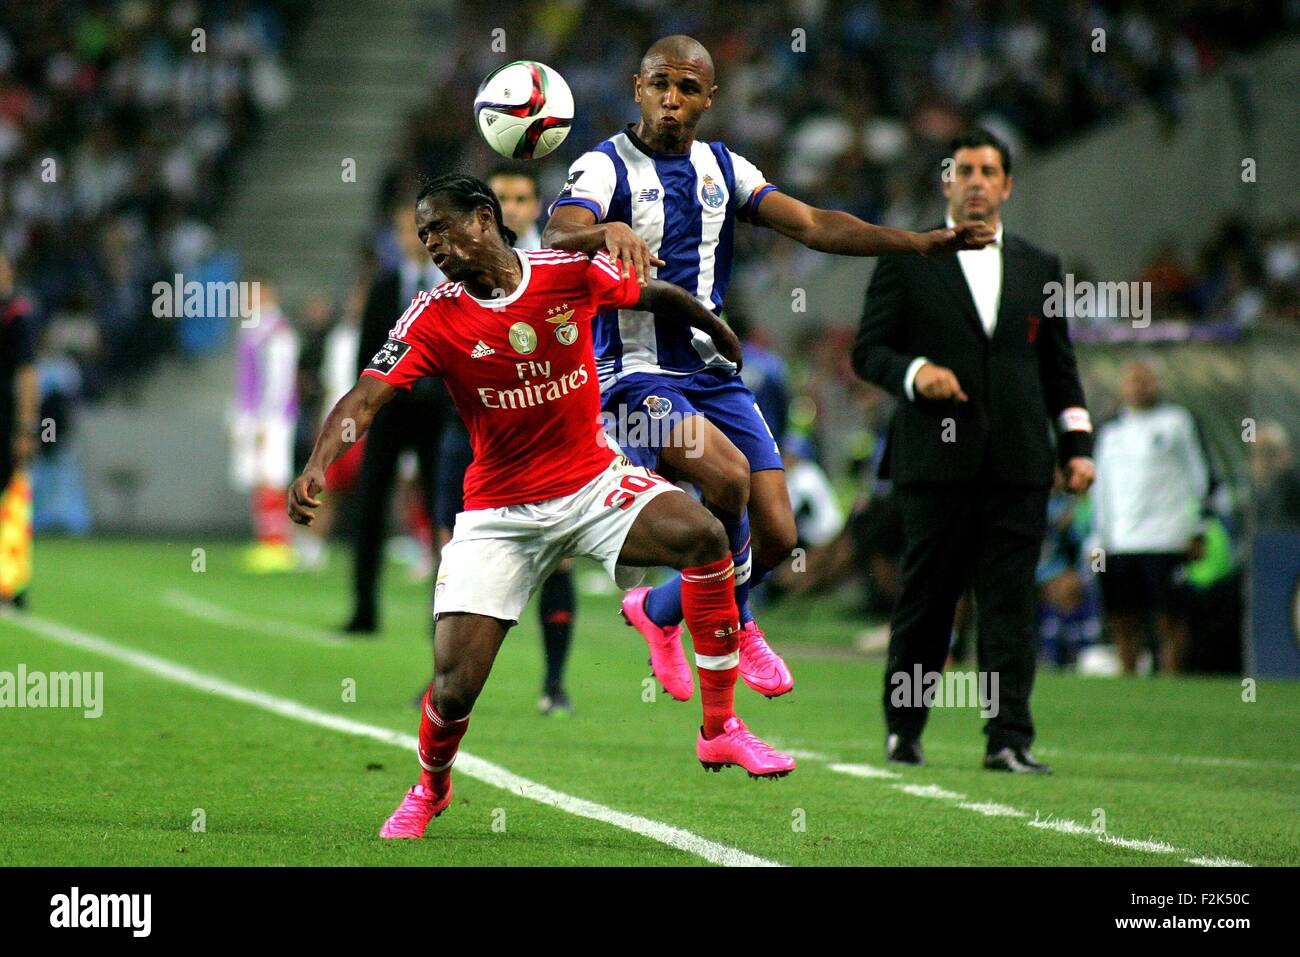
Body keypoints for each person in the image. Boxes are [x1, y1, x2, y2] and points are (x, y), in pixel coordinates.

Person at [289, 175, 796, 838]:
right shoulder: (432, 315)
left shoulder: (567, 273)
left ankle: (720, 726)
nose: (434, 246)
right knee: (451, 688)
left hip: (592, 485)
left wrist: (714, 329)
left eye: (442, 229)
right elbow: (364, 398)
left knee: (705, 536)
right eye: (424, 237)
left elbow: (655, 293)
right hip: (501, 514)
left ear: (485, 219)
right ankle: (429, 788)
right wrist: (318, 463)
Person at [543, 35, 994, 703]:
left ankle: (660, 612)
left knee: (780, 535)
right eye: (660, 83)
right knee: (725, 479)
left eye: (688, 87)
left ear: (709, 99)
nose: (672, 98)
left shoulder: (724, 167)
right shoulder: (604, 166)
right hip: (636, 375)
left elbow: (813, 223)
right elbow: (559, 232)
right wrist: (600, 233)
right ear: (637, 88)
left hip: (716, 375)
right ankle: (740, 622)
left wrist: (919, 244)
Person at [852, 129, 1095, 773]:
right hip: (933, 464)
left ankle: (1009, 738)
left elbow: (1060, 366)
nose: (978, 181)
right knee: (927, 601)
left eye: (990, 171)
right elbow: (867, 351)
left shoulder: (1041, 266)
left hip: (1019, 464)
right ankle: (904, 731)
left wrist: (1076, 445)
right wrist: (914, 373)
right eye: (965, 170)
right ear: (946, 182)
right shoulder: (907, 257)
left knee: (1011, 603)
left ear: (1008, 185)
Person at [432, 166, 580, 716]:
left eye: (522, 197)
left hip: (543, 443)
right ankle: (445, 679)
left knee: (557, 559)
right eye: (504, 198)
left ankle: (555, 682)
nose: (514, 207)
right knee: (454, 554)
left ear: (536, 204)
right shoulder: (450, 268)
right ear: (483, 213)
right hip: (464, 437)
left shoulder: (556, 269)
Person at [345, 205, 451, 633]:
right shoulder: (385, 287)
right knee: (369, 509)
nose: (415, 237)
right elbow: (365, 356)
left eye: (422, 229)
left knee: (442, 516)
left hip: (437, 416)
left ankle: (442, 614)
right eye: (407, 229)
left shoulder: (452, 287)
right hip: (388, 415)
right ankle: (364, 610)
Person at [1092, 359, 1210, 674]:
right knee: (1122, 618)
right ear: (1122, 386)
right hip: (1120, 540)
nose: (1141, 386)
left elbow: (1200, 476)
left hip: (1167, 537)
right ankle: (1128, 684)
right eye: (1134, 380)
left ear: (1159, 383)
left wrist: (1198, 527)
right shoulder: (1109, 430)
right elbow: (1101, 488)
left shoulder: (1178, 422)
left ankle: (1172, 684)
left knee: (1168, 619)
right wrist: (1098, 537)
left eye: (1147, 380)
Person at [229, 278, 300, 573]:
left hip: (273, 417)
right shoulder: (252, 330)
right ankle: (266, 542)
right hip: (254, 416)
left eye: (253, 293)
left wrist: (264, 419)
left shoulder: (278, 332)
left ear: (268, 294)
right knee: (258, 478)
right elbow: (244, 381)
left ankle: (278, 546)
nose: (248, 299)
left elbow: (280, 380)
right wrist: (236, 419)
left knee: (272, 476)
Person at [0, 253, 38, 608]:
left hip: (6, 422)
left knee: (14, 502)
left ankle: (13, 584)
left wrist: (26, 428)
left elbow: (27, 374)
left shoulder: (17, 315)